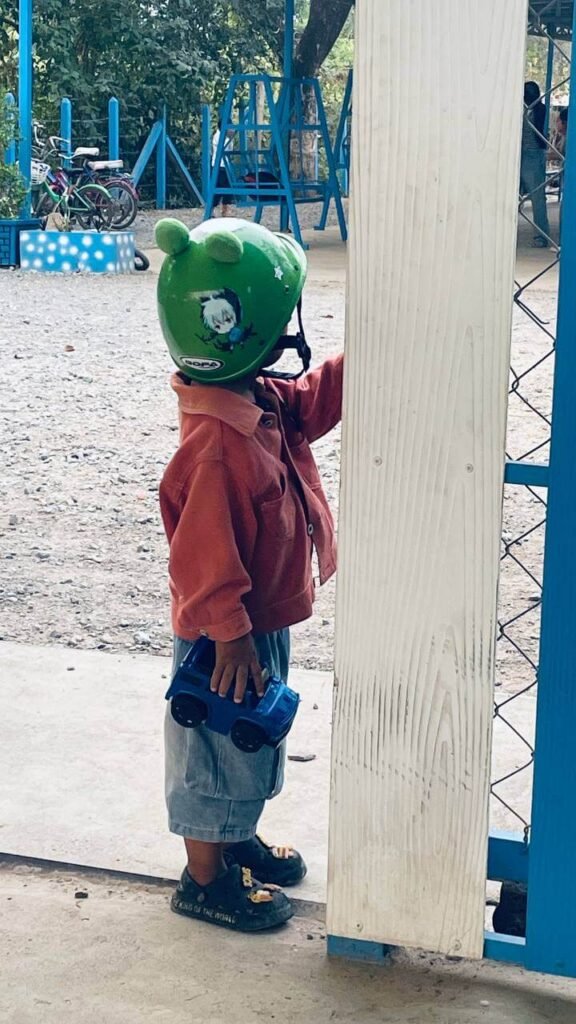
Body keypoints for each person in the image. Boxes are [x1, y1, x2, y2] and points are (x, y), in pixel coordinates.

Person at [154, 216, 343, 932]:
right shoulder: (214, 446)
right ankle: (206, 879)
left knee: (248, 741)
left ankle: (235, 841)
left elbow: (311, 405)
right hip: (224, 636)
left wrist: (369, 356)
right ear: (243, 328)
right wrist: (229, 638)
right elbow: (201, 560)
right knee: (214, 750)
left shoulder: (254, 397)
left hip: (256, 621)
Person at [520, 81, 550, 247]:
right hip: (518, 154)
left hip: (533, 154)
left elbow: (540, 131)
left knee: (537, 197)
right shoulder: (518, 108)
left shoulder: (540, 109)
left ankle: (541, 235)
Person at [211, 119, 234, 216]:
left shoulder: (224, 136)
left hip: (224, 165)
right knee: (220, 188)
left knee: (227, 187)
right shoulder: (219, 136)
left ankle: (225, 209)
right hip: (220, 166)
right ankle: (215, 208)